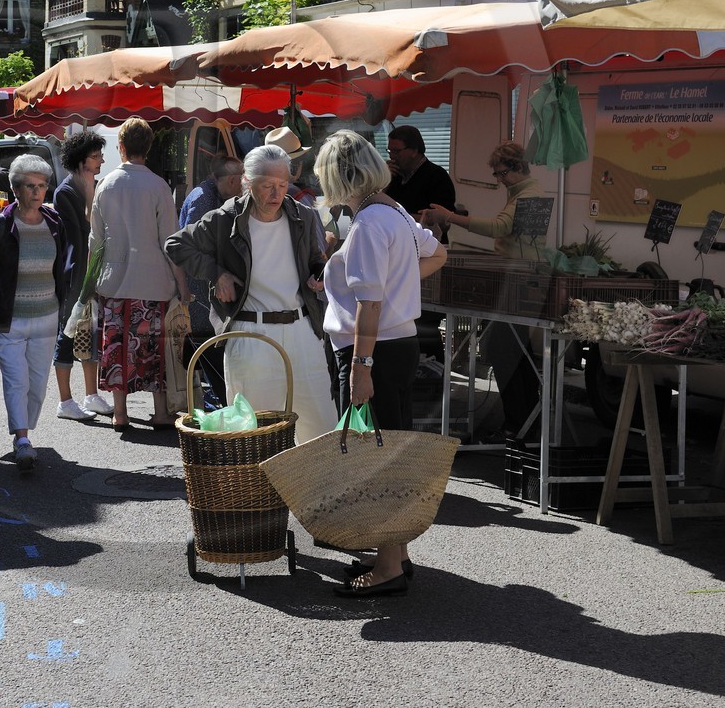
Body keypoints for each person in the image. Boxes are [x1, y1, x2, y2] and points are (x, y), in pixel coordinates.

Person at [314, 130, 448, 598]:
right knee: (387, 446)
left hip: (373, 350)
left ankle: (389, 564)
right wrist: (397, 286)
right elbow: (439, 254)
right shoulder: (393, 212)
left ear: (337, 176)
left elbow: (369, 305)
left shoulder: (370, 221)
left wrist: (360, 367)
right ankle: (397, 554)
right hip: (397, 344)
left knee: (377, 455)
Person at [165, 145, 339, 440]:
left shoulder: (304, 216)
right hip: (250, 334)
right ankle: (261, 487)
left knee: (321, 426)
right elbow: (176, 245)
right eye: (267, 186)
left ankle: (315, 486)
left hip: (302, 331)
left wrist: (317, 275)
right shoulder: (226, 218)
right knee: (256, 433)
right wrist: (217, 274)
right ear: (247, 182)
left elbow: (314, 259)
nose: (276, 194)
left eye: (282, 185)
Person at [423, 141, 547, 437]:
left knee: (503, 350)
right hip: (517, 280)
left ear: (518, 167)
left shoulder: (529, 195)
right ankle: (521, 421)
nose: (499, 179)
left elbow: (498, 227)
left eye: (502, 173)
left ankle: (520, 422)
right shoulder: (524, 193)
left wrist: (450, 217)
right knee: (513, 352)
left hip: (519, 284)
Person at [0, 154, 68, 474]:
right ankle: (22, 439)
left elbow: (62, 265)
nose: (38, 192)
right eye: (31, 186)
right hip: (8, 315)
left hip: (46, 314)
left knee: (38, 382)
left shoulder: (54, 223)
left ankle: (25, 427)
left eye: (43, 186)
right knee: (16, 379)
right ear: (15, 189)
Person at [88, 117, 188, 432]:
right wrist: (182, 286)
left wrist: (89, 284)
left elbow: (96, 242)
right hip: (154, 282)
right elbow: (170, 242)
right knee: (154, 347)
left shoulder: (105, 184)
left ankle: (120, 413)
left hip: (114, 282)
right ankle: (160, 411)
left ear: (120, 147)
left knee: (116, 345)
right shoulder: (159, 186)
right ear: (148, 147)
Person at [52, 130, 111, 420]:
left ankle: (91, 394)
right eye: (95, 156)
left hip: (94, 269)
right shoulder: (65, 191)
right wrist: (90, 197)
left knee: (92, 331)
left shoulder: (92, 185)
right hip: (75, 273)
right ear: (80, 160)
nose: (101, 161)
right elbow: (81, 237)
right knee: (69, 331)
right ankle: (65, 401)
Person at [176, 156, 244, 406]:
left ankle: (217, 398)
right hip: (201, 287)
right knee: (209, 344)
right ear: (231, 180)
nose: (243, 186)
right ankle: (223, 401)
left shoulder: (212, 195)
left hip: (207, 285)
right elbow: (188, 248)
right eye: (240, 180)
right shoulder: (202, 199)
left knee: (209, 345)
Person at [385, 126, 457, 222]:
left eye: (396, 151)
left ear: (414, 151)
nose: (392, 156)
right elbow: (376, 204)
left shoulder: (437, 176)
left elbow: (443, 221)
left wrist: (397, 216)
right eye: (389, 151)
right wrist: (384, 179)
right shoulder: (394, 173)